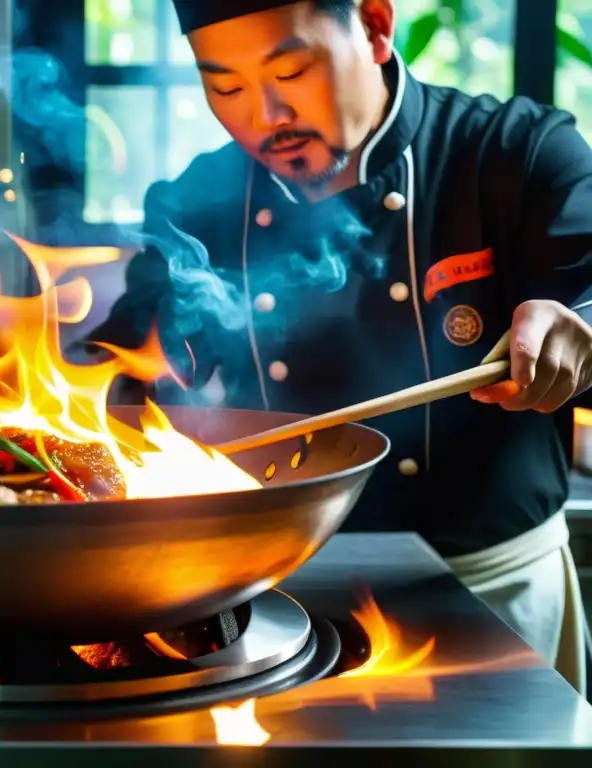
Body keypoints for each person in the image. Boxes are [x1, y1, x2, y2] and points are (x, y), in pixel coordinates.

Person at [77, 0, 592, 695]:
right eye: (224, 86)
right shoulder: (196, 202)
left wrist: (579, 328)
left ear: (377, 26)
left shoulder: (514, 152)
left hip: (494, 596)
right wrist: (59, 390)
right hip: (280, 606)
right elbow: (134, 358)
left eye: (290, 70)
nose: (264, 117)